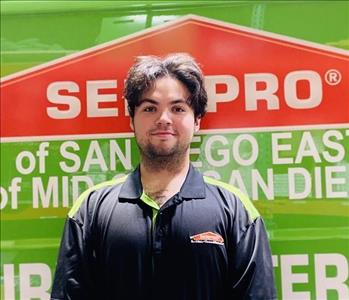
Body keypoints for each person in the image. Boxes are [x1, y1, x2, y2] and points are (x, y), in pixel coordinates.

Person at [51, 53, 276, 300]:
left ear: (197, 121)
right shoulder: (91, 210)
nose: (163, 119)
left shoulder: (235, 210)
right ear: (131, 121)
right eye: (150, 108)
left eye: (178, 108)